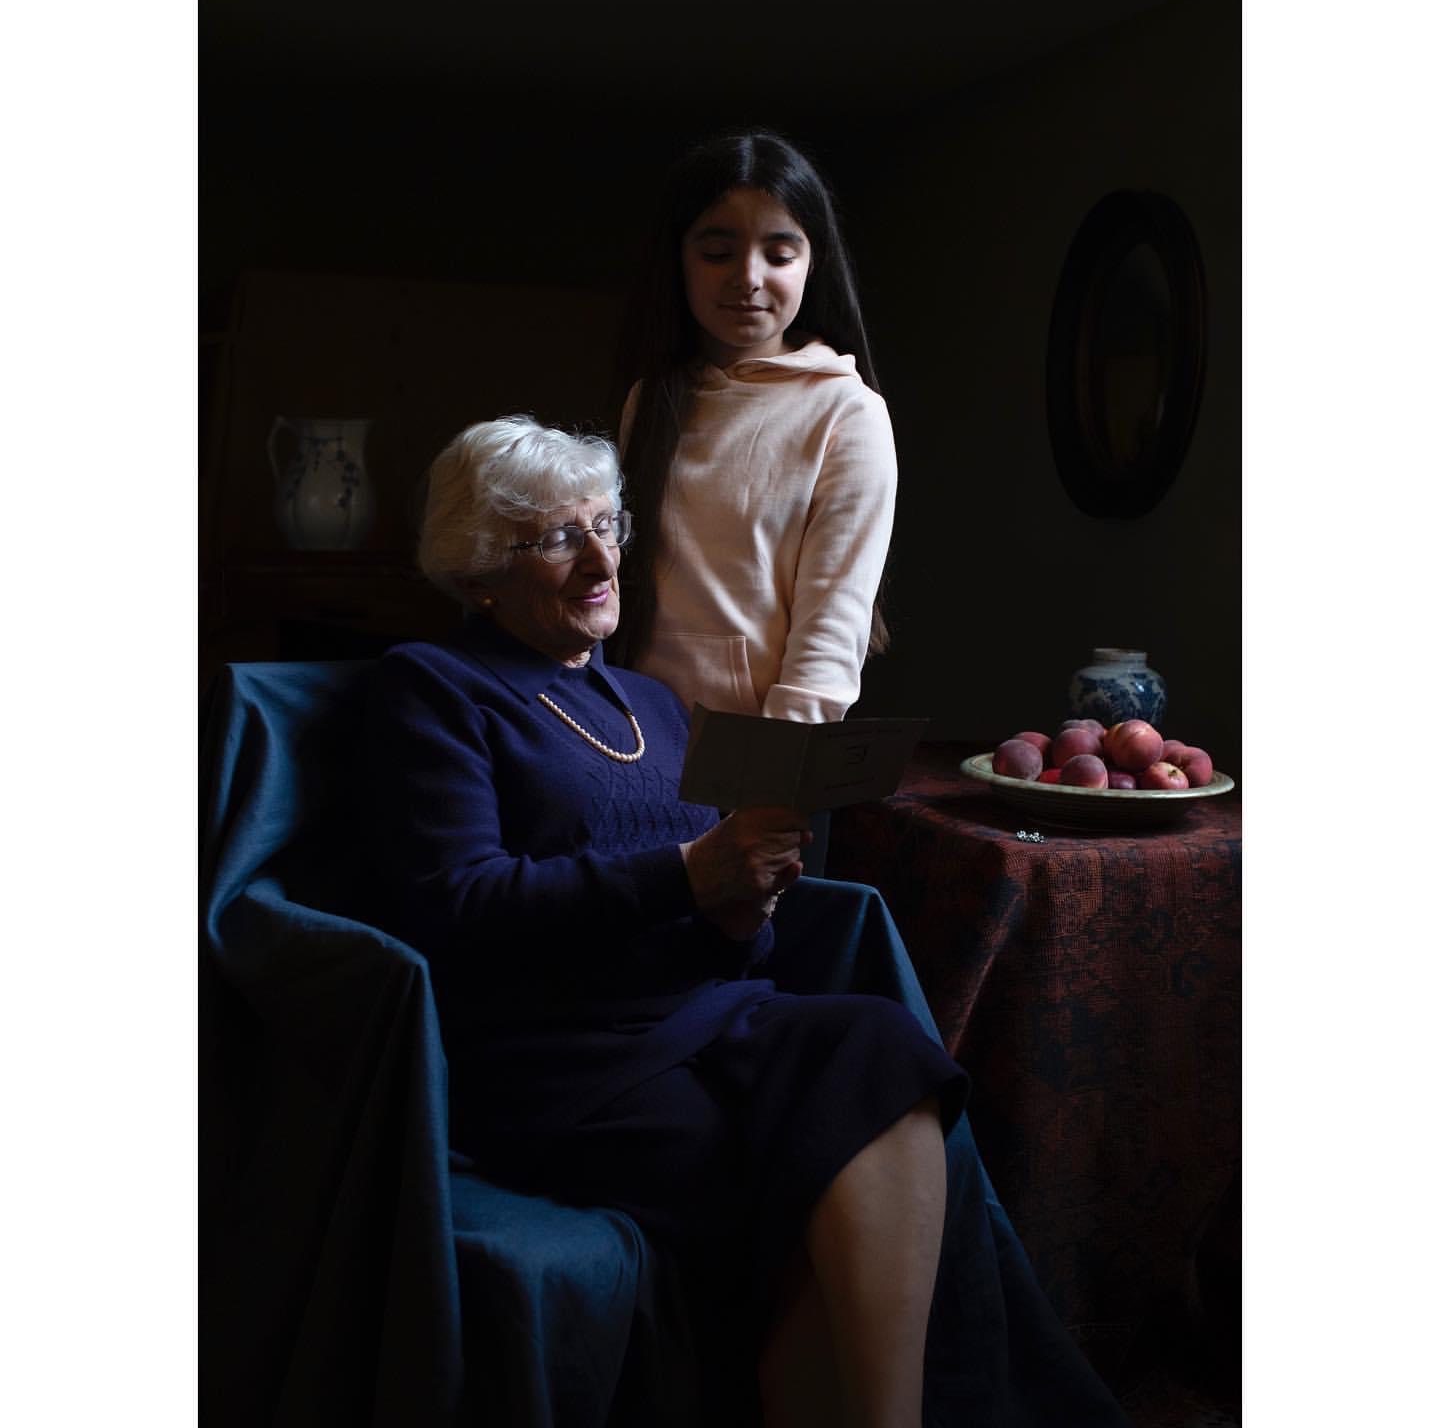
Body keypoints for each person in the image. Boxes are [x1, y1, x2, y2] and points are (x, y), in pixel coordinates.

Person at [363, 417, 1127, 1428]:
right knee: (798, 1171)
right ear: (479, 571)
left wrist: (742, 907)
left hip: (706, 1018)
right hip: (557, 1058)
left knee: (880, 1047)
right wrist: (689, 874)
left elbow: (721, 935)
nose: (600, 560)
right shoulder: (434, 688)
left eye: (606, 525)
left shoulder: (651, 705)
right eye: (555, 538)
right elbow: (457, 903)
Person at [610, 127, 895, 736]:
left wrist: (774, 768)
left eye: (779, 255)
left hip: (756, 750)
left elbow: (832, 625)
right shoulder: (650, 400)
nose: (747, 277)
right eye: (717, 253)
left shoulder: (846, 412)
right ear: (679, 258)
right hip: (631, 735)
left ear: (813, 263)